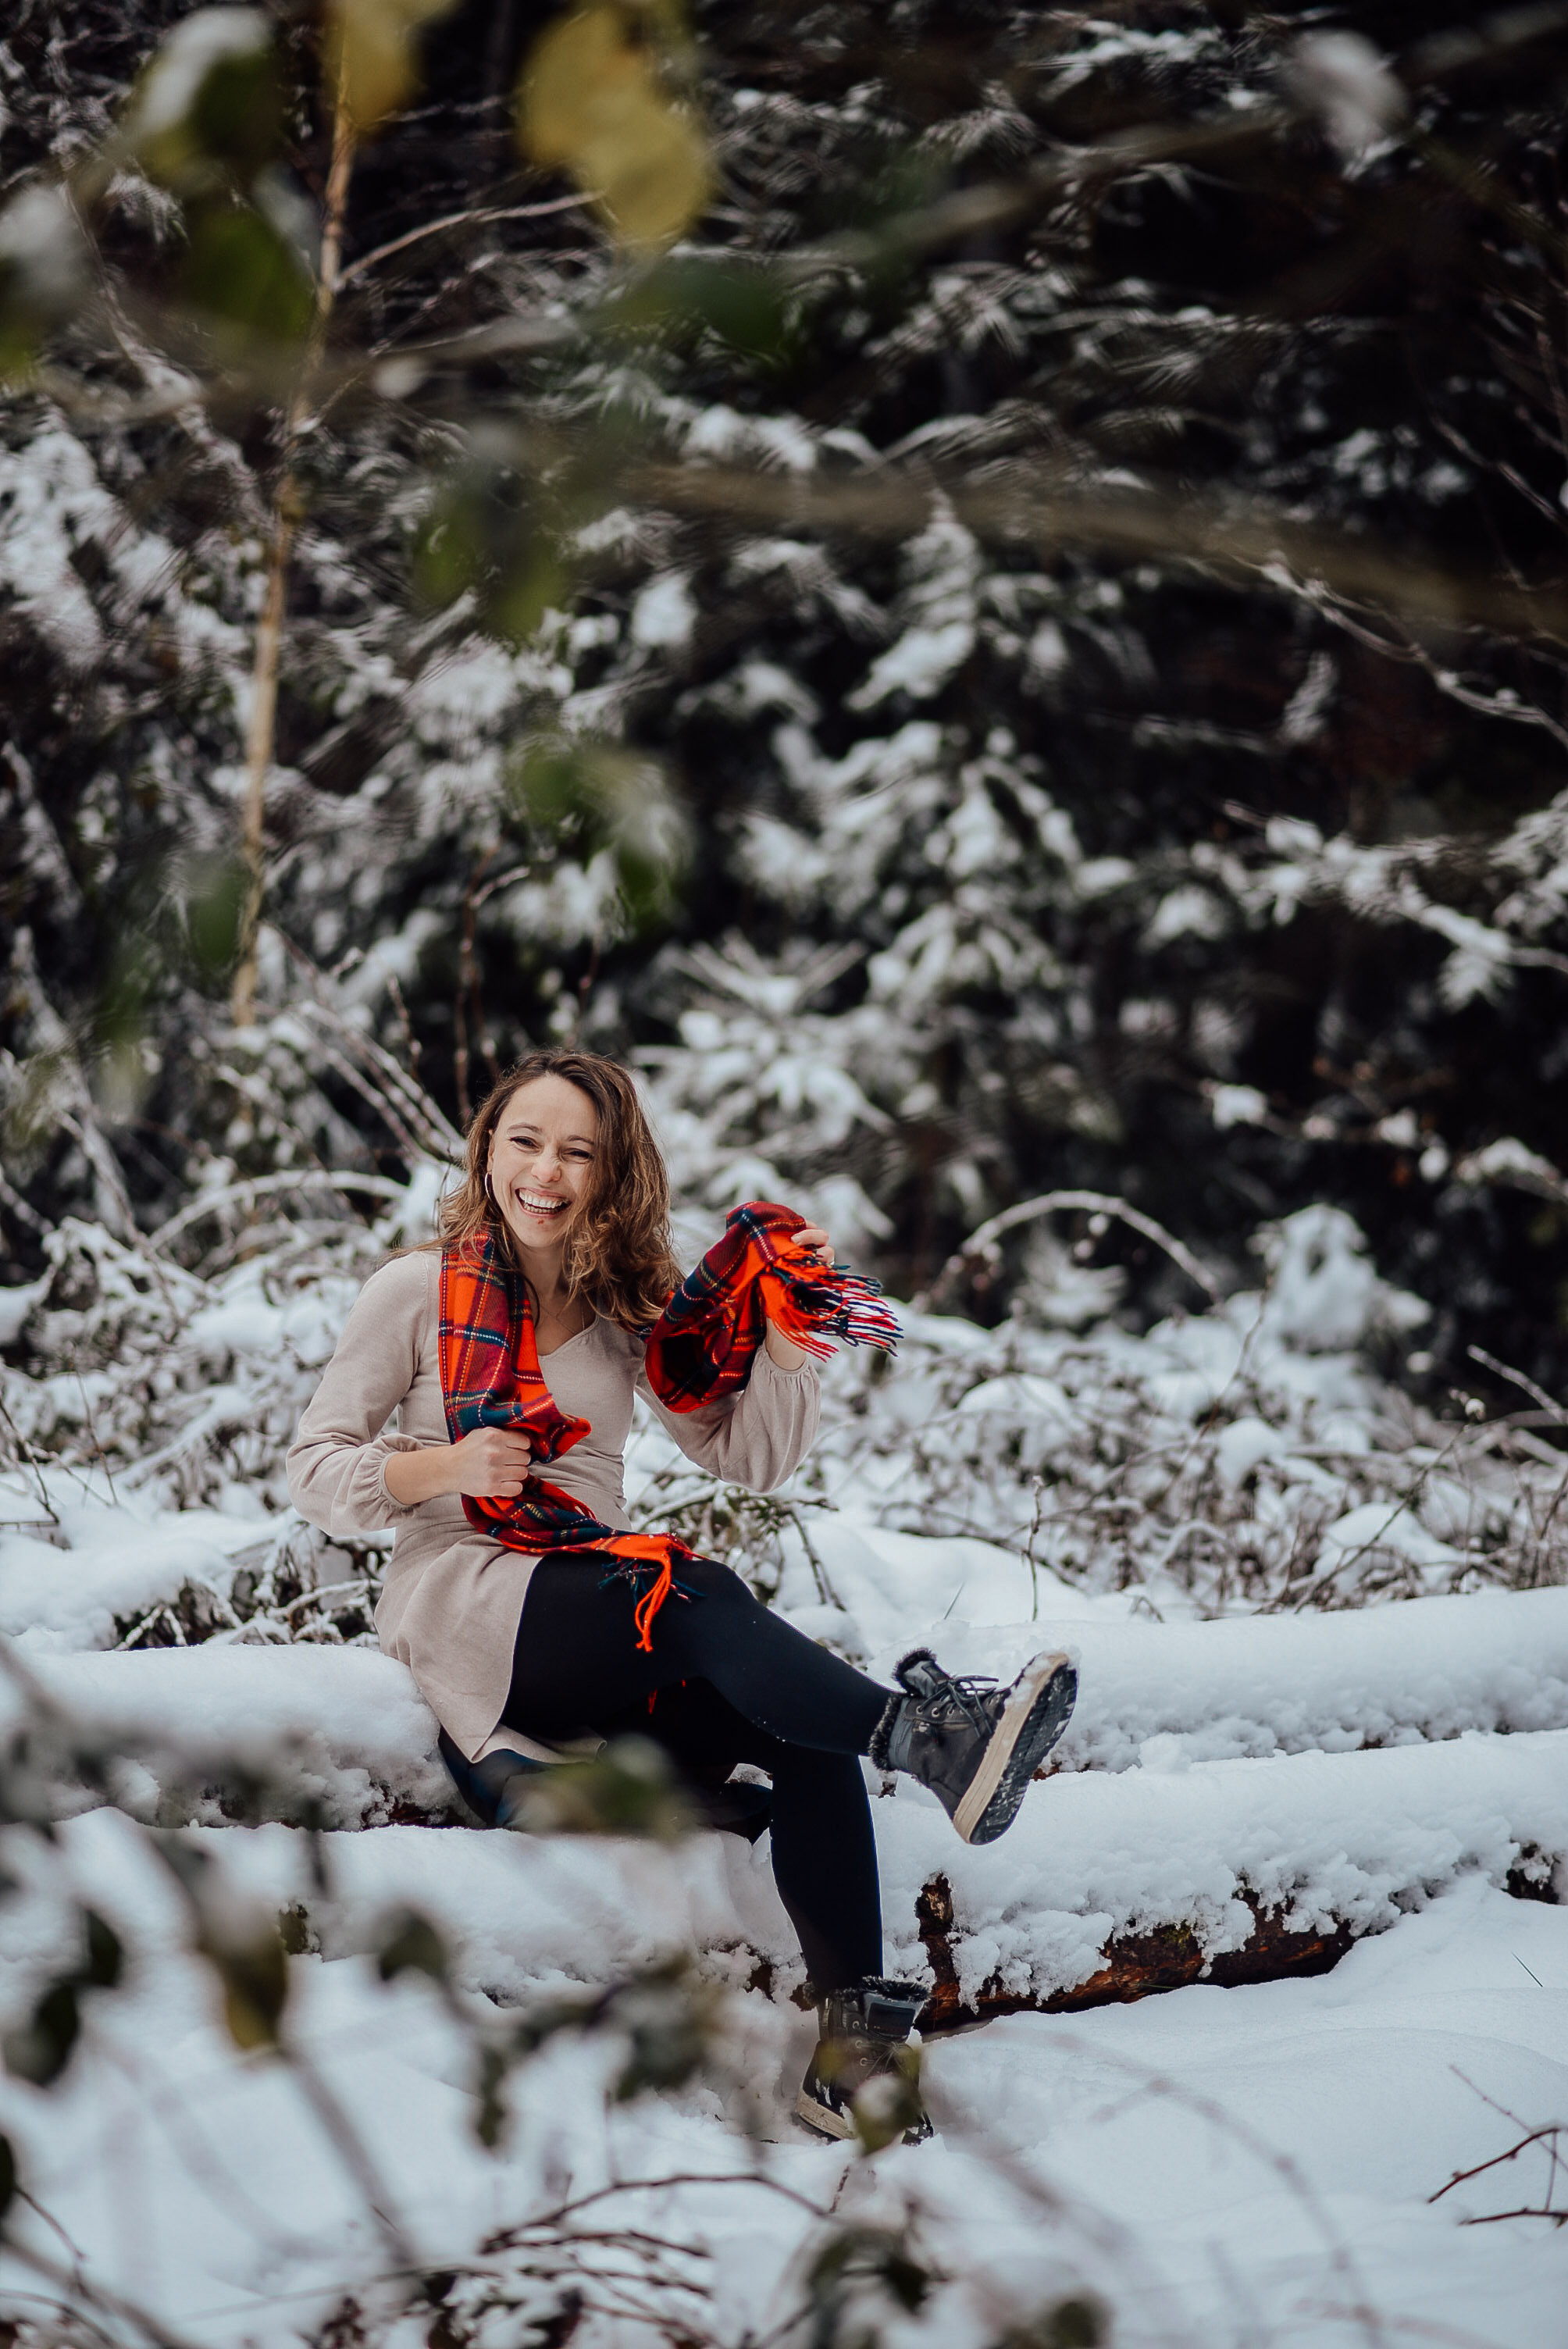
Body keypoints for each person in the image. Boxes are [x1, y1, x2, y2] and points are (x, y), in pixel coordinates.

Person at [287, 1048, 1077, 2142]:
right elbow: (313, 1466)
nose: (546, 1172)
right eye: (525, 1142)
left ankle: (852, 2061)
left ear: (615, 1174)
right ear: (487, 1152)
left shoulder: (626, 1306)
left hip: (587, 1603)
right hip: (468, 1597)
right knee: (690, 1590)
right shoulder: (418, 1288)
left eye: (579, 1152)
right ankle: (930, 1740)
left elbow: (747, 1458)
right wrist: (444, 1469)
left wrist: (791, 1343)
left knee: (803, 1731)